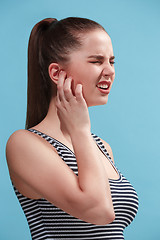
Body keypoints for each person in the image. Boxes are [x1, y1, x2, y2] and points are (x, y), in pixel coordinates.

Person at [6, 17, 139, 240]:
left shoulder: (101, 147)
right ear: (57, 74)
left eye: (111, 62)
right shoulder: (24, 144)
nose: (109, 71)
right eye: (97, 61)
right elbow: (99, 211)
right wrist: (80, 130)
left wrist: (81, 133)